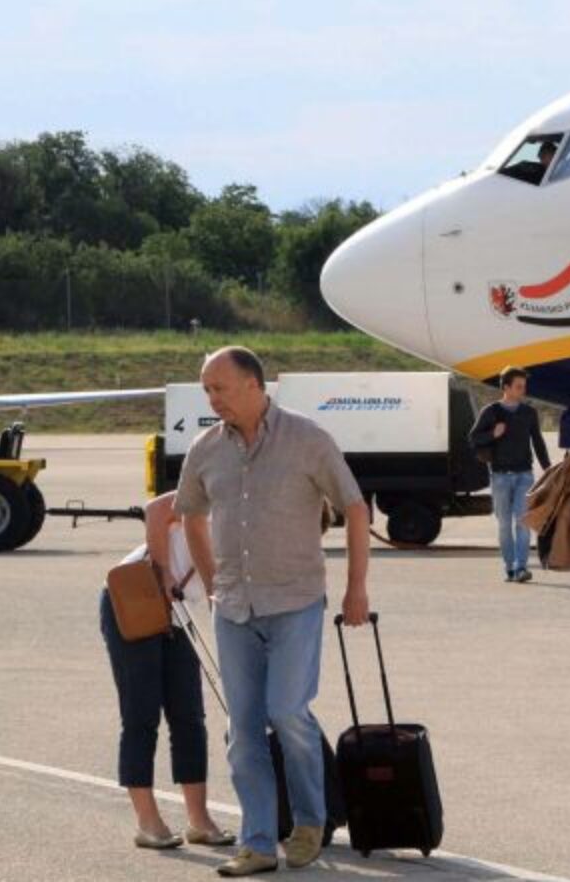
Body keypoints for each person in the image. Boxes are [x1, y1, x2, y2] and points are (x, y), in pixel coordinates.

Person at [176, 346, 371, 877]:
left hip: (295, 602)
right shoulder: (205, 449)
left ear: (253, 385)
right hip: (234, 608)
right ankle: (258, 843)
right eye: (206, 389)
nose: (211, 399)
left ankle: (309, 820)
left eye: (219, 388)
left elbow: (355, 507)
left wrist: (356, 589)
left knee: (286, 712)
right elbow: (189, 515)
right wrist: (212, 584)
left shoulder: (307, 439)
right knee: (243, 733)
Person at [101, 492, 235, 853]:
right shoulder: (215, 477)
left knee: (189, 716)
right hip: (135, 596)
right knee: (141, 715)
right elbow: (157, 510)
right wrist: (163, 572)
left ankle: (199, 820)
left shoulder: (258, 506)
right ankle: (148, 822)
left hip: (177, 610)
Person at [470, 367, 552, 583]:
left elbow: (538, 442)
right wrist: (492, 433)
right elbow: (474, 438)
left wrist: (548, 468)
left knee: (523, 522)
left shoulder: (529, 412)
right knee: (505, 525)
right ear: (506, 387)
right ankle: (510, 568)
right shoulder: (491, 411)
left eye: (524, 386)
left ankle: (521, 567)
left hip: (525, 475)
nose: (523, 390)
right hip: (500, 477)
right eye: (518, 386)